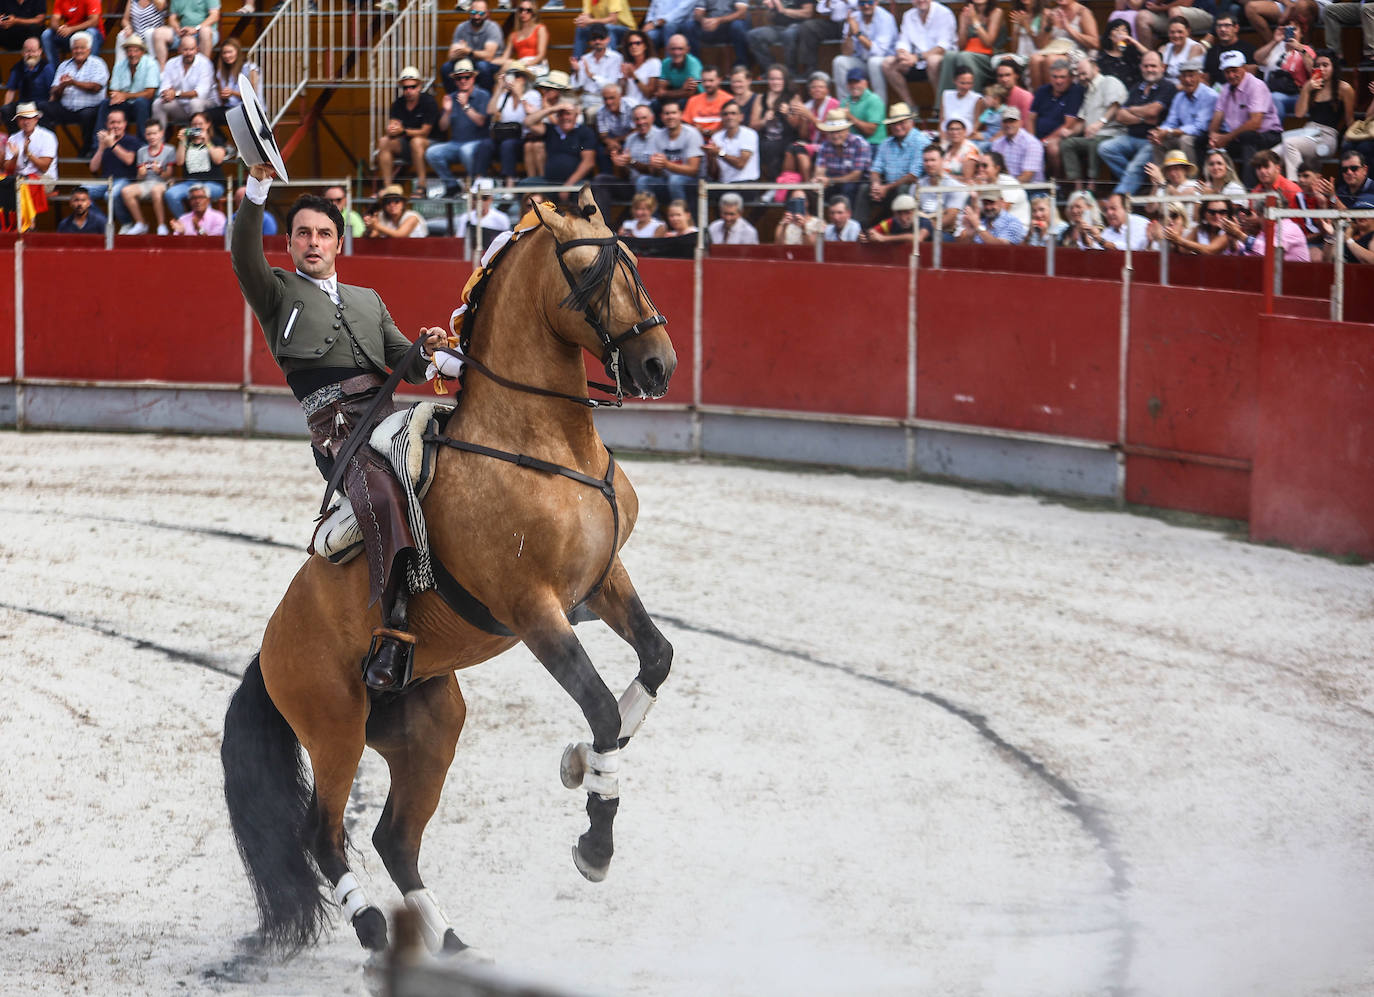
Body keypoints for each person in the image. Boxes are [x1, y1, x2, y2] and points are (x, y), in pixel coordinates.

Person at [232, 162, 447, 691]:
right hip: (339, 428)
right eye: (303, 233)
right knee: (381, 491)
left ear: (338, 244)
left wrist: (431, 348)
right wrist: (257, 186)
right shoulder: (277, 292)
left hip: (390, 413)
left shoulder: (367, 300)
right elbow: (242, 254)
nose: (313, 241)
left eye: (324, 233)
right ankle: (395, 626)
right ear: (289, 244)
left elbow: (410, 364)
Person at [1099, 50, 1175, 195]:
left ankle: (1120, 198)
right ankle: (1136, 184)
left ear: (1162, 68)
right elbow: (1120, 115)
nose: (1149, 70)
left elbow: (1153, 111)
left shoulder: (1167, 87)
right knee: (1105, 148)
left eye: (1153, 66)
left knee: (1134, 167)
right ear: (1141, 67)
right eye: (1146, 66)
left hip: (1152, 141)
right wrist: (1142, 118)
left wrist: (1132, 110)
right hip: (1131, 137)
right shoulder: (1136, 87)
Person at [1207, 49, 1281, 187]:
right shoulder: (1225, 89)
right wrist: (1213, 137)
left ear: (1245, 68)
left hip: (1268, 135)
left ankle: (1249, 189)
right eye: (1227, 71)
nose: (1231, 75)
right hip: (1239, 135)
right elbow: (1217, 117)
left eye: (1235, 70)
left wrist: (1226, 138)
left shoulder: (1256, 85)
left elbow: (1255, 123)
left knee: (1248, 137)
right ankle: (1215, 187)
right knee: (1202, 140)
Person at [1279, 48, 1352, 179]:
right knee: (1273, 154)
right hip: (1307, 132)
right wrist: (1306, 89)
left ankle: (1296, 188)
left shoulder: (1344, 88)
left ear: (1334, 67)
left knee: (1290, 144)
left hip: (1327, 138)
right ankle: (1282, 190)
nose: (1321, 69)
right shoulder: (1312, 86)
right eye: (1318, 66)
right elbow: (1299, 114)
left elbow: (1349, 120)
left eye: (1325, 65)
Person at [424, 58, 491, 197]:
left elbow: (481, 122)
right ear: (455, 81)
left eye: (467, 77)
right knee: (432, 152)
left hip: (478, 142)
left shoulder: (483, 95)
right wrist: (447, 112)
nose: (463, 80)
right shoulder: (451, 97)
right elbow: (443, 127)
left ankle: (473, 186)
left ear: (473, 78)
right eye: (459, 78)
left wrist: (465, 106)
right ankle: (452, 185)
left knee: (466, 151)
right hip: (455, 143)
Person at [1061, 55, 1126, 185]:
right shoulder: (1088, 91)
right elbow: (1081, 121)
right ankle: (1078, 187)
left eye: (1084, 73)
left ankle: (1092, 186)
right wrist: (1070, 133)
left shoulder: (1109, 81)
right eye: (1079, 75)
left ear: (1095, 68)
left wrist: (1100, 122)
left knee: (1094, 142)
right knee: (1067, 144)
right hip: (1093, 136)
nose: (1081, 78)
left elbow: (1116, 105)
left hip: (1112, 134)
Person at [40, 32, 107, 155]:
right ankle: (48, 147)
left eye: (82, 48)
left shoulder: (98, 63)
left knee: (88, 114)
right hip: (67, 108)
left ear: (89, 49)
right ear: (72, 50)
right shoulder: (64, 65)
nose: (78, 51)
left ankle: (87, 148)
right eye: (76, 48)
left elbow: (96, 87)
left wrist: (74, 83)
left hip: (89, 108)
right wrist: (62, 86)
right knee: (43, 107)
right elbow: (54, 91)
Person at [883, 0, 957, 111]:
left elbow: (943, 47)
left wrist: (917, 57)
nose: (921, 0)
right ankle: (911, 107)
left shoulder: (944, 13)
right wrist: (902, 53)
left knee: (933, 61)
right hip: (915, 62)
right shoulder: (908, 15)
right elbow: (903, 41)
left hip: (940, 62)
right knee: (888, 63)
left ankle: (941, 107)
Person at [376, 66, 440, 195]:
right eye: (405, 88)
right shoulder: (399, 103)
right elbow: (393, 125)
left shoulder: (429, 102)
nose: (409, 90)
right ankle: (388, 187)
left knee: (416, 142)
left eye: (413, 87)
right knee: (384, 141)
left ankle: (421, 186)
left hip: (431, 143)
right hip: (407, 144)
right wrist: (392, 129)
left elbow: (425, 132)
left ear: (420, 86)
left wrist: (403, 131)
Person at [521, 100, 599, 200]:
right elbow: (528, 122)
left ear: (576, 116)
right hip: (550, 182)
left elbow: (588, 162)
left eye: (568, 114)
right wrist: (553, 109)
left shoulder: (585, 132)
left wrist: (568, 185)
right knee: (525, 184)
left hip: (576, 182)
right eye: (560, 114)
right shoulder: (551, 130)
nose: (564, 117)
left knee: (584, 191)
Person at [866, 100, 928, 223]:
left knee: (903, 190)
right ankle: (860, 229)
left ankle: (898, 227)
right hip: (888, 187)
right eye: (894, 123)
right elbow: (875, 169)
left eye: (902, 123)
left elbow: (913, 175)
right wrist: (876, 185)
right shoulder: (886, 143)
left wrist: (887, 188)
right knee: (864, 189)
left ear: (911, 123)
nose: (898, 126)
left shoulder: (921, 141)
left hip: (912, 188)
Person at [1148, 57, 1213, 171]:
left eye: (1191, 75)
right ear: (1180, 78)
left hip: (1204, 136)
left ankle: (1192, 180)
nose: (1187, 80)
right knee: (1158, 140)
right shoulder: (1179, 97)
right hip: (1181, 133)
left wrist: (1171, 131)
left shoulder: (1209, 95)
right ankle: (1161, 181)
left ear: (1199, 76)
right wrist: (1160, 132)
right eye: (1184, 76)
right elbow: (1170, 122)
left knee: (1185, 140)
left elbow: (1199, 127)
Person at [477, 63, 537, 185]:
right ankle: (479, 182)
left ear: (523, 79)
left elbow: (532, 114)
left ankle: (510, 184)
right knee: (485, 144)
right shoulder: (504, 96)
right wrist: (499, 88)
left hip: (523, 139)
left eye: (516, 76)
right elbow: (490, 111)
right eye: (510, 76)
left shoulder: (532, 95)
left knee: (508, 145)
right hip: (503, 136)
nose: (512, 79)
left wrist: (519, 94)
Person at [833, 0, 897, 103]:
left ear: (876, 2)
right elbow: (846, 53)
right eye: (862, 3)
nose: (866, 6)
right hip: (862, 61)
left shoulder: (886, 18)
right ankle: (845, 107)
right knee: (839, 61)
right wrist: (849, 34)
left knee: (874, 62)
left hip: (885, 63)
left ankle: (879, 110)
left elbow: (878, 52)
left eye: (869, 2)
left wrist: (858, 34)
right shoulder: (854, 17)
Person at [935, 0, 1002, 97]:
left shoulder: (996, 12)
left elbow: (989, 42)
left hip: (989, 57)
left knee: (964, 56)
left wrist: (975, 21)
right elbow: (961, 46)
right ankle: (941, 107)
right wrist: (964, 26)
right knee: (949, 55)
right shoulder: (966, 13)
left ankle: (973, 102)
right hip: (968, 53)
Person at [88, 104, 141, 225]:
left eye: (119, 122)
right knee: (82, 191)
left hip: (125, 180)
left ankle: (126, 223)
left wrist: (112, 145)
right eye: (112, 122)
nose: (115, 126)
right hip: (105, 181)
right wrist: (101, 147)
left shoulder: (131, 140)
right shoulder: (103, 142)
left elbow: (129, 160)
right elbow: (93, 168)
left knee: (110, 195)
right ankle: (103, 222)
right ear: (107, 124)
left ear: (125, 124)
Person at [1027, 57, 1081, 176]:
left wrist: (1044, 141)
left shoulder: (1075, 91)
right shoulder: (1042, 90)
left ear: (1071, 78)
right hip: (1037, 137)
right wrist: (1032, 140)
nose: (1058, 81)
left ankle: (1056, 181)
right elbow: (1031, 118)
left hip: (1060, 136)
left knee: (1052, 148)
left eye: (1062, 77)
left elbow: (1068, 124)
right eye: (1055, 77)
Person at [164, 110, 225, 215]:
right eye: (194, 124)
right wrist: (182, 141)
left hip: (213, 183)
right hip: (190, 183)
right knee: (170, 194)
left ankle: (205, 227)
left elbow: (218, 159)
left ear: (208, 124)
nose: (197, 126)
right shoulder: (187, 142)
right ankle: (186, 224)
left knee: (201, 195)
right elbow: (179, 162)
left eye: (200, 124)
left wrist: (207, 142)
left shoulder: (216, 140)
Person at [1253, 16, 1315, 119]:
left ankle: (1274, 132)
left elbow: (1312, 70)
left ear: (1302, 33)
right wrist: (1275, 40)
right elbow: (1257, 58)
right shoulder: (1275, 48)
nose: (1291, 32)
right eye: (1287, 29)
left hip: (1295, 95)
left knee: (1273, 99)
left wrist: (1300, 48)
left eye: (1294, 29)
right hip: (1270, 91)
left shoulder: (1306, 50)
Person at [1026, 0, 1096, 89]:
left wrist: (1068, 28)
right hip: (1053, 50)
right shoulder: (1051, 13)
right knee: (1035, 59)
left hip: (1075, 52)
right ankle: (1039, 99)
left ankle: (1054, 99)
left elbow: (1095, 43)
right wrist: (1049, 26)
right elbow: (1040, 46)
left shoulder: (1083, 12)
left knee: (1051, 59)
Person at [121, 117, 174, 233]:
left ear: (161, 133)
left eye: (155, 133)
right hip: (145, 183)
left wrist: (159, 171)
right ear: (145, 135)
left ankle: (161, 225)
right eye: (149, 134)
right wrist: (141, 174)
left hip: (163, 183)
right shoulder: (142, 151)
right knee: (126, 191)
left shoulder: (169, 150)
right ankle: (141, 223)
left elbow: (169, 175)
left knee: (156, 190)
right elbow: (139, 178)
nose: (152, 137)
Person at [98, 34, 159, 136]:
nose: (132, 54)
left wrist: (125, 95)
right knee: (105, 103)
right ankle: (99, 142)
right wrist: (117, 96)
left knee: (141, 103)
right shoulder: (119, 65)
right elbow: (114, 91)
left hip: (144, 105)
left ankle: (142, 143)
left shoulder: (151, 64)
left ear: (142, 52)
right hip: (125, 104)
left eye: (136, 51)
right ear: (126, 52)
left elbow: (149, 93)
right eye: (129, 51)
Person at [152, 32, 212, 132]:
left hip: (205, 106)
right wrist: (167, 94)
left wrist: (175, 93)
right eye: (185, 49)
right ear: (179, 49)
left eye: (192, 49)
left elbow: (200, 93)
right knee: (158, 103)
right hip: (180, 108)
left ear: (197, 49)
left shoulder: (205, 63)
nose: (189, 53)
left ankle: (197, 140)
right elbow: (164, 88)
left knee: (195, 102)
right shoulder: (171, 63)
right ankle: (158, 141)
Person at [812, 106, 871, 205]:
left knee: (849, 187)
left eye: (838, 131)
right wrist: (818, 180)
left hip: (859, 182)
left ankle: (849, 218)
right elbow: (819, 171)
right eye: (831, 132)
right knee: (815, 190)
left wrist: (829, 180)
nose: (835, 136)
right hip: (834, 181)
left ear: (847, 130)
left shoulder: (859, 143)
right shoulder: (825, 145)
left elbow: (856, 176)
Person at [1223, 198, 1309, 260]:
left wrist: (1239, 234)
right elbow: (1250, 256)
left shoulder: (1289, 228)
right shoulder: (1265, 232)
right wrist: (1233, 242)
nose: (1258, 220)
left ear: (1268, 215)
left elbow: (1271, 253)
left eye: (1259, 215)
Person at [752, 62, 797, 180]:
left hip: (786, 138)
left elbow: (797, 125)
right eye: (772, 79)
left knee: (777, 149)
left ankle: (777, 185)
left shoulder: (793, 97)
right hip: (765, 138)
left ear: (785, 80)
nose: (775, 82)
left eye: (779, 79)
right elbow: (753, 125)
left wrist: (788, 113)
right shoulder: (760, 98)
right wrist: (764, 121)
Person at [445, 0, 502, 92]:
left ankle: (485, 99)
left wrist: (468, 51)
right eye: (473, 12)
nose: (476, 16)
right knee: (446, 67)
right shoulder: (461, 27)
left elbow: (489, 56)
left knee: (482, 66)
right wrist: (457, 55)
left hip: (490, 63)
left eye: (481, 13)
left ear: (487, 13)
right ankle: (454, 100)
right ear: (469, 11)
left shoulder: (492, 27)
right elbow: (450, 55)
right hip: (467, 61)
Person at [748, 0, 814, 78]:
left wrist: (783, 10)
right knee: (753, 35)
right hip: (778, 28)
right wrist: (770, 9)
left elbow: (808, 13)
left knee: (788, 34)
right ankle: (771, 71)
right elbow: (769, 18)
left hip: (799, 26)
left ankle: (791, 72)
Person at [570, 23, 623, 120]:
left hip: (604, 101)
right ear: (590, 42)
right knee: (572, 116)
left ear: (608, 39)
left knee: (590, 114)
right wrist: (577, 71)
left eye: (601, 38)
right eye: (594, 38)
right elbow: (575, 87)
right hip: (585, 99)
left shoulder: (616, 58)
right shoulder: (585, 58)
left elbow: (612, 85)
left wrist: (592, 76)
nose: (597, 41)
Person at [916, 142, 967, 237]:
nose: (929, 164)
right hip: (922, 230)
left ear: (942, 161)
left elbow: (950, 217)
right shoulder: (917, 186)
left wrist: (928, 230)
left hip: (946, 233)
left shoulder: (955, 187)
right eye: (926, 160)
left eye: (933, 160)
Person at [207, 35, 257, 130]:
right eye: (224, 53)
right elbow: (223, 100)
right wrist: (223, 96)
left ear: (237, 52)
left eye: (230, 52)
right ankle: (222, 143)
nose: (227, 56)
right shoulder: (221, 71)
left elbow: (253, 96)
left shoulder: (250, 68)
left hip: (248, 109)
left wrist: (232, 93)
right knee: (204, 117)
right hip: (230, 108)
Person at [2, 38, 53, 131]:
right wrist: (5, 107)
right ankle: (15, 138)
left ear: (40, 52)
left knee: (45, 109)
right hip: (23, 105)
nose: (30, 54)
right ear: (22, 52)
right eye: (27, 51)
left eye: (33, 51)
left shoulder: (47, 68)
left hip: (40, 104)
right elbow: (11, 91)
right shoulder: (18, 67)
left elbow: (53, 92)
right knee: (6, 110)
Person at [703, 99, 759, 183]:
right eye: (725, 114)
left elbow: (740, 164)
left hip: (746, 183)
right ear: (721, 117)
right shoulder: (716, 137)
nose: (729, 117)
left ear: (741, 117)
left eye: (733, 113)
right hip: (723, 183)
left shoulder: (749, 134)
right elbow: (714, 174)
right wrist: (711, 156)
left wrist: (719, 153)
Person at [41, 0, 104, 70]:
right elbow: (54, 20)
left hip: (90, 34)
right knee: (47, 34)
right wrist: (59, 29)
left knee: (91, 32)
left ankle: (90, 70)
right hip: (70, 35)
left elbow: (94, 22)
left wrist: (71, 29)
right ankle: (56, 72)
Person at [687, 0, 750, 69]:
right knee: (689, 26)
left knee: (737, 25)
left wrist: (719, 20)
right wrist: (703, 21)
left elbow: (742, 14)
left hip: (730, 27)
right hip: (711, 27)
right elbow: (698, 12)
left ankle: (742, 64)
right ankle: (694, 64)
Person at [1159, 196, 1234, 254]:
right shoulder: (1199, 229)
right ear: (1204, 214)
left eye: (1222, 212)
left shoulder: (1230, 232)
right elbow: (1183, 250)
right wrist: (1172, 238)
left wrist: (1178, 240)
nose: (1217, 216)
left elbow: (1210, 251)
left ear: (1228, 214)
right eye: (1212, 212)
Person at [494, 1, 549, 78]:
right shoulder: (513, 35)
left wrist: (524, 65)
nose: (524, 12)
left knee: (508, 69)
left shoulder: (540, 28)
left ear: (533, 12)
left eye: (528, 10)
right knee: (503, 71)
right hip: (520, 65)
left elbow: (541, 55)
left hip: (536, 65)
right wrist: (489, 60)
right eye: (521, 10)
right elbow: (504, 58)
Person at [113, 0, 173, 69]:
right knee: (122, 35)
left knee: (149, 33)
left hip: (153, 36)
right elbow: (125, 20)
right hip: (137, 35)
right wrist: (128, 27)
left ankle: (152, 68)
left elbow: (161, 6)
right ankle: (119, 71)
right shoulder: (132, 1)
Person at [989, 105, 1042, 182]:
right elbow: (994, 170)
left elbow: (1027, 176)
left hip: (1032, 189)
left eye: (1012, 121)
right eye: (1005, 121)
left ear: (1020, 122)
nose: (1008, 124)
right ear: (1001, 123)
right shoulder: (997, 144)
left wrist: (1007, 187)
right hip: (1005, 186)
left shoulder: (1031, 143)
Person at [954, 189, 1027, 242]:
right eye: (985, 203)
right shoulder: (981, 219)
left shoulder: (1012, 222)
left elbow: (1000, 249)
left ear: (1001, 201)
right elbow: (962, 247)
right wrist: (970, 233)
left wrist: (977, 226)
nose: (988, 207)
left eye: (992, 203)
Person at [1321, 1, 1374, 73]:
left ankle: (1372, 56)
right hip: (1363, 5)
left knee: (1366, 8)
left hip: (1368, 7)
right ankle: (1336, 57)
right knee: (1330, 10)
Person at [454, 176, 512, 240]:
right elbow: (459, 240)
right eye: (475, 198)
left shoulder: (501, 218)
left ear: (491, 199)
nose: (479, 201)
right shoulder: (465, 218)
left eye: (484, 198)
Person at [1203, 13, 1254, 85]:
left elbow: (1252, 76)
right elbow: (1207, 79)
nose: (1222, 29)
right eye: (1219, 26)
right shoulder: (1212, 52)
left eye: (1227, 25)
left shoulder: (1247, 49)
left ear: (1236, 28)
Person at [1097, 17, 1145, 90]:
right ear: (1109, 35)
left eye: (1124, 30)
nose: (1120, 33)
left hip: (1134, 93)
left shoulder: (1133, 54)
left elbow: (1151, 57)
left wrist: (1134, 42)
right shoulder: (1102, 57)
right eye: (1116, 30)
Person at [363, 184, 427, 238]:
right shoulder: (381, 215)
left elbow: (400, 235)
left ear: (403, 204)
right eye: (388, 202)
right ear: (384, 205)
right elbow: (374, 234)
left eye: (396, 201)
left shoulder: (412, 217)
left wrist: (376, 225)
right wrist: (370, 226)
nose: (392, 205)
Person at [1156, 15, 1205, 83]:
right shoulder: (1166, 47)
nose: (1176, 35)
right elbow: (1153, 63)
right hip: (1167, 86)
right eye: (1172, 32)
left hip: (1186, 86)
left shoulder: (1195, 48)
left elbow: (1191, 78)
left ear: (1188, 31)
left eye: (1180, 32)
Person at [683, 64, 729, 136]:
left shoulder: (728, 100)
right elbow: (686, 127)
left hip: (721, 143)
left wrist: (704, 132)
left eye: (711, 80)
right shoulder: (693, 100)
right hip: (696, 141)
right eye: (704, 81)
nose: (707, 84)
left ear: (719, 80)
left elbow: (729, 129)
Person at [657, 33, 703, 105]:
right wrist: (682, 90)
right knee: (656, 104)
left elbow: (690, 92)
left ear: (687, 50)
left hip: (698, 99)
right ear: (667, 49)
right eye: (673, 49)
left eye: (680, 49)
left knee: (683, 102)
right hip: (676, 99)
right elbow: (660, 91)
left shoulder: (693, 63)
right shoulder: (665, 63)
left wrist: (665, 93)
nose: (676, 52)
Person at [620, 30, 661, 107]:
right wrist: (624, 80)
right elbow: (623, 94)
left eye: (638, 43)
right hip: (627, 105)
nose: (634, 46)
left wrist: (634, 76)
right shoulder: (626, 64)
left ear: (645, 45)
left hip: (645, 106)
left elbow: (650, 94)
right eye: (630, 44)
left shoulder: (653, 62)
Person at [940, 64, 981, 138]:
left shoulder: (977, 98)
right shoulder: (946, 95)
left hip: (966, 138)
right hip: (947, 136)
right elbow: (942, 121)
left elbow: (976, 125)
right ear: (954, 81)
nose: (966, 87)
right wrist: (943, 141)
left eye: (969, 83)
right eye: (962, 83)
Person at [1334, 195, 1374, 264]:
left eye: (1366, 211)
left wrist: (1348, 240)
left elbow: (1372, 261)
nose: (1361, 215)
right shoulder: (1348, 233)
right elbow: (1328, 260)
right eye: (1358, 211)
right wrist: (1330, 236)